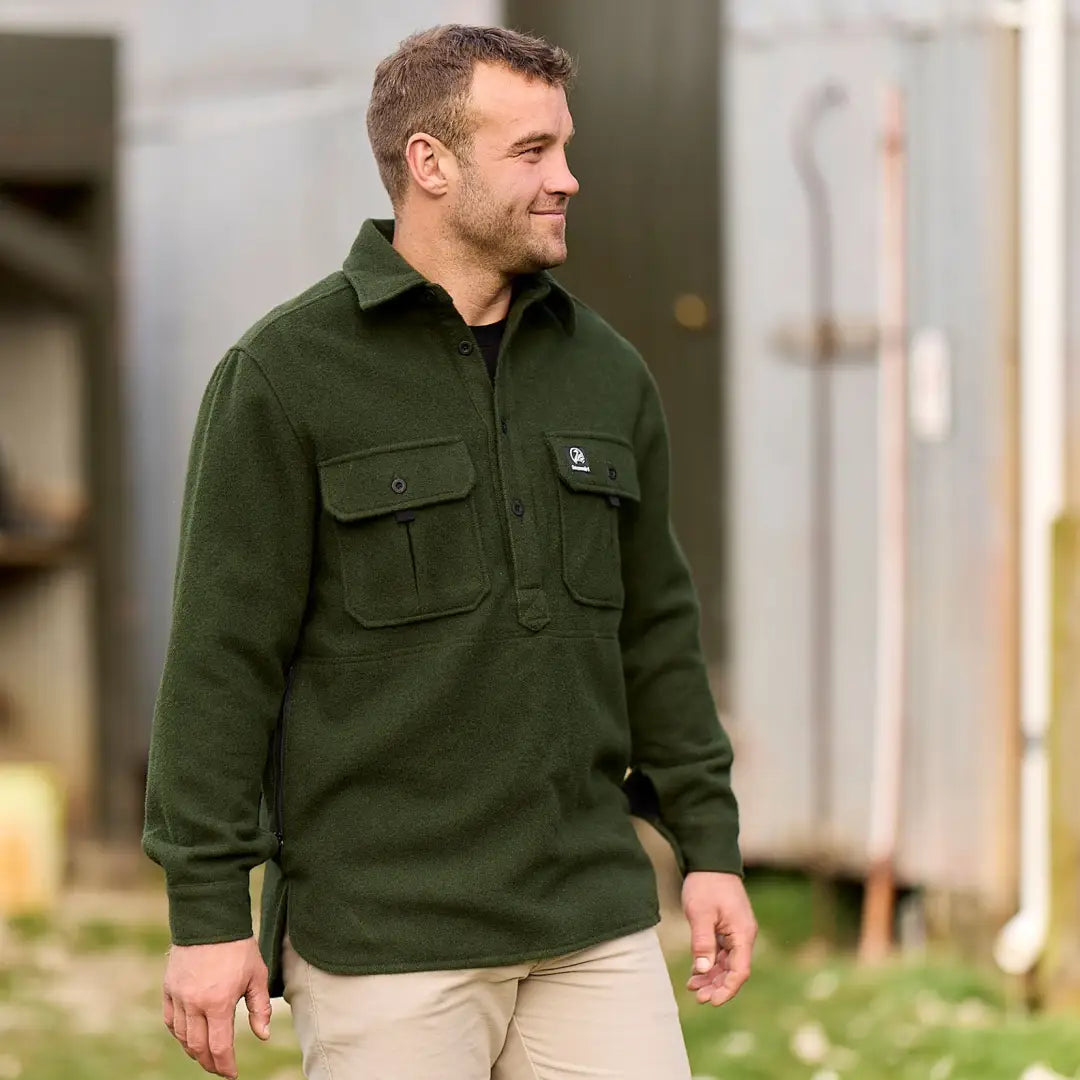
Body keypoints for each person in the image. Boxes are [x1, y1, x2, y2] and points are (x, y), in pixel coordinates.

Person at [142, 23, 756, 1080]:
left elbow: (657, 632)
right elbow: (220, 663)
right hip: (384, 939)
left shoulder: (607, 373)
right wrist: (207, 912)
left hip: (591, 919)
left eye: (565, 147)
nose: (569, 178)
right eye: (532, 152)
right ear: (430, 164)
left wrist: (709, 847)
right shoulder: (285, 375)